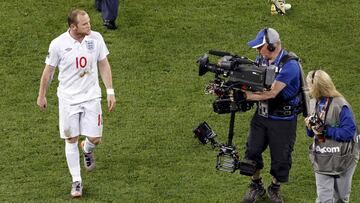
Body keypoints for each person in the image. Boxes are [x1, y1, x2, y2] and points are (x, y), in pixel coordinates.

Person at [37, 9, 116, 198]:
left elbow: (103, 64)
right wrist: (42, 95)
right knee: (70, 139)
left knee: (96, 139)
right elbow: (48, 72)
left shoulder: (95, 39)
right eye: (85, 24)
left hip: (91, 97)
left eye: (89, 22)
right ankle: (76, 181)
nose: (90, 26)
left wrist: (110, 91)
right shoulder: (58, 44)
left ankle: (86, 149)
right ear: (73, 27)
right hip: (68, 100)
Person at [241, 27, 302, 203]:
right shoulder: (262, 59)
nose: (257, 51)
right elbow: (254, 82)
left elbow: (271, 93)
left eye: (260, 47)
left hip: (283, 121)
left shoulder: (290, 66)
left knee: (281, 159)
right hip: (261, 116)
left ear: (272, 46)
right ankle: (256, 185)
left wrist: (246, 97)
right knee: (252, 152)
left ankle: (274, 188)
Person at [304, 70, 358, 203]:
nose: (307, 88)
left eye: (309, 85)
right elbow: (311, 134)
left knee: (341, 198)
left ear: (317, 86)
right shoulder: (312, 103)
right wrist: (310, 126)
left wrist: (326, 130)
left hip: (343, 158)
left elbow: (348, 132)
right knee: (324, 199)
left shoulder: (340, 104)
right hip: (322, 156)